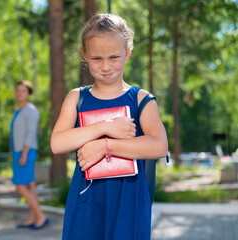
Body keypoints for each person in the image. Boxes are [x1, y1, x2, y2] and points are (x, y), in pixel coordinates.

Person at [50, 14, 168, 239]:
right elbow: (57, 143)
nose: (106, 66)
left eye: (114, 57)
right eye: (96, 58)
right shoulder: (77, 98)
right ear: (84, 54)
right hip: (86, 203)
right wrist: (105, 126)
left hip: (128, 202)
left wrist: (106, 147)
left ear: (128, 52)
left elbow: (159, 146)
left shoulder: (141, 99)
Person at [10, 80, 49, 230]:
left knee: (20, 186)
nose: (19, 93)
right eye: (17, 90)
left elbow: (31, 133)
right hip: (19, 152)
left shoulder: (31, 111)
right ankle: (33, 218)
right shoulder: (19, 111)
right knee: (29, 185)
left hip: (25, 152)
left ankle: (41, 216)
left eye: (23, 91)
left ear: (28, 94)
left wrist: (24, 153)